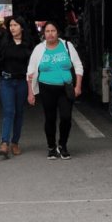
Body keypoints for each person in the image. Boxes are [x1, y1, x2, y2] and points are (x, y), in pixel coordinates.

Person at [27, 21, 83, 160]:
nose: (50, 34)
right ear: (43, 34)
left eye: (53, 31)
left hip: (65, 88)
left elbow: (78, 66)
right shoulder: (39, 49)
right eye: (47, 31)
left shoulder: (67, 46)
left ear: (58, 32)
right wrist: (30, 92)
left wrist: (78, 86)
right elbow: (31, 71)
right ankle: (51, 147)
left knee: (66, 117)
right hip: (46, 88)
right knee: (50, 118)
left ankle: (62, 145)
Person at [0, 16, 34, 158]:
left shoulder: (29, 44)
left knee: (19, 113)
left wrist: (33, 88)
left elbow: (33, 66)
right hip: (6, 82)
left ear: (21, 27)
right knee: (9, 111)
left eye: (15, 25)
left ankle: (15, 142)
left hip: (22, 83)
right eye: (11, 25)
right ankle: (4, 143)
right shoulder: (4, 43)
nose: (12, 28)